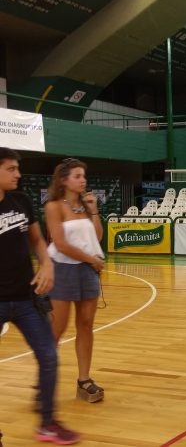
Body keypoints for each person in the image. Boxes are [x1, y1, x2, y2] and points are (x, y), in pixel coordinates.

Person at [0, 147, 80, 444]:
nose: (18, 174)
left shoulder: (21, 200)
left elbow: (36, 240)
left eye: (17, 168)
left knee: (48, 356)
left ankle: (48, 423)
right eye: (11, 169)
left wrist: (46, 264)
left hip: (26, 298)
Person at [44, 158, 105, 403]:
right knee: (57, 328)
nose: (83, 180)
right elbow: (60, 244)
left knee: (86, 324)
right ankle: (45, 381)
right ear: (63, 180)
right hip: (63, 269)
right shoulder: (54, 206)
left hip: (87, 270)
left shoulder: (84, 206)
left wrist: (94, 210)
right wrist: (92, 260)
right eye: (77, 176)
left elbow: (97, 237)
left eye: (84, 176)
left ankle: (84, 380)